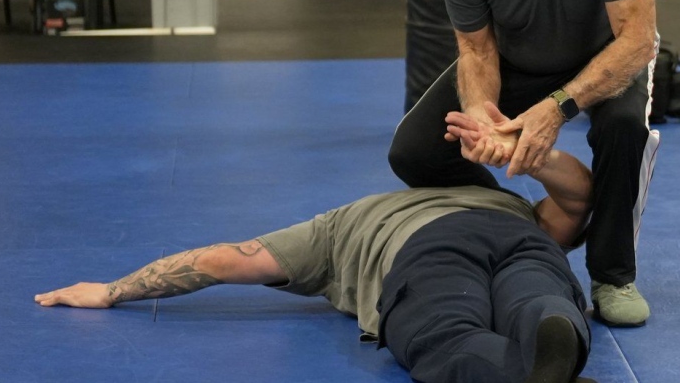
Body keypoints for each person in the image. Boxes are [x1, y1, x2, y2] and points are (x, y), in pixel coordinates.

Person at [388, 0, 660, 328]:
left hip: (606, 54)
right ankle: (526, 223)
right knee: (413, 152)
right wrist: (483, 120)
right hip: (515, 56)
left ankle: (612, 274)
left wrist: (558, 107)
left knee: (623, 129)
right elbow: (476, 49)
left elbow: (638, 40)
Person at [36, 142, 599, 383]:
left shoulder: (341, 224)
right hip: (520, 238)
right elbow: (579, 200)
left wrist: (113, 289)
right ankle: (552, 327)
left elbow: (222, 261)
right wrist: (532, 153)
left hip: (425, 249)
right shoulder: (510, 201)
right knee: (535, 293)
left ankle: (528, 372)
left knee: (444, 333)